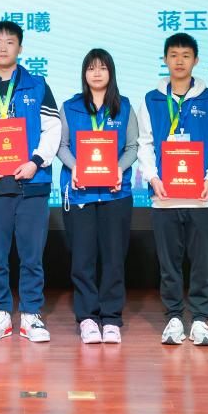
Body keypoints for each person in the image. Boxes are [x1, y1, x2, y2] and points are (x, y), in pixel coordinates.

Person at [0, 20, 60, 342]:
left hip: (32, 182)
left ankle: (31, 315)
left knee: (32, 255)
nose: (3, 47)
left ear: (20, 47)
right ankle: (0, 314)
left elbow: (53, 129)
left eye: (10, 42)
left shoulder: (38, 86)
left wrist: (36, 162)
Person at [137, 33, 208, 347]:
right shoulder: (151, 99)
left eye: (186, 55)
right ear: (165, 59)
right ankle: (175, 318)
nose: (179, 61)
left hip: (201, 197)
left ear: (196, 60)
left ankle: (201, 320)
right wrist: (153, 178)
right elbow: (144, 144)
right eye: (174, 55)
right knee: (169, 263)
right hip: (164, 197)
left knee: (202, 262)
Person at [56, 48, 138, 345]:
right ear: (84, 74)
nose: (97, 73)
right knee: (83, 259)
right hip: (80, 194)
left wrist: (118, 169)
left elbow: (133, 147)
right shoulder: (70, 107)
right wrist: (75, 166)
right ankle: (88, 318)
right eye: (91, 68)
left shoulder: (124, 107)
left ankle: (112, 318)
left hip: (115, 194)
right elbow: (61, 145)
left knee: (114, 258)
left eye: (102, 68)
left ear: (111, 72)